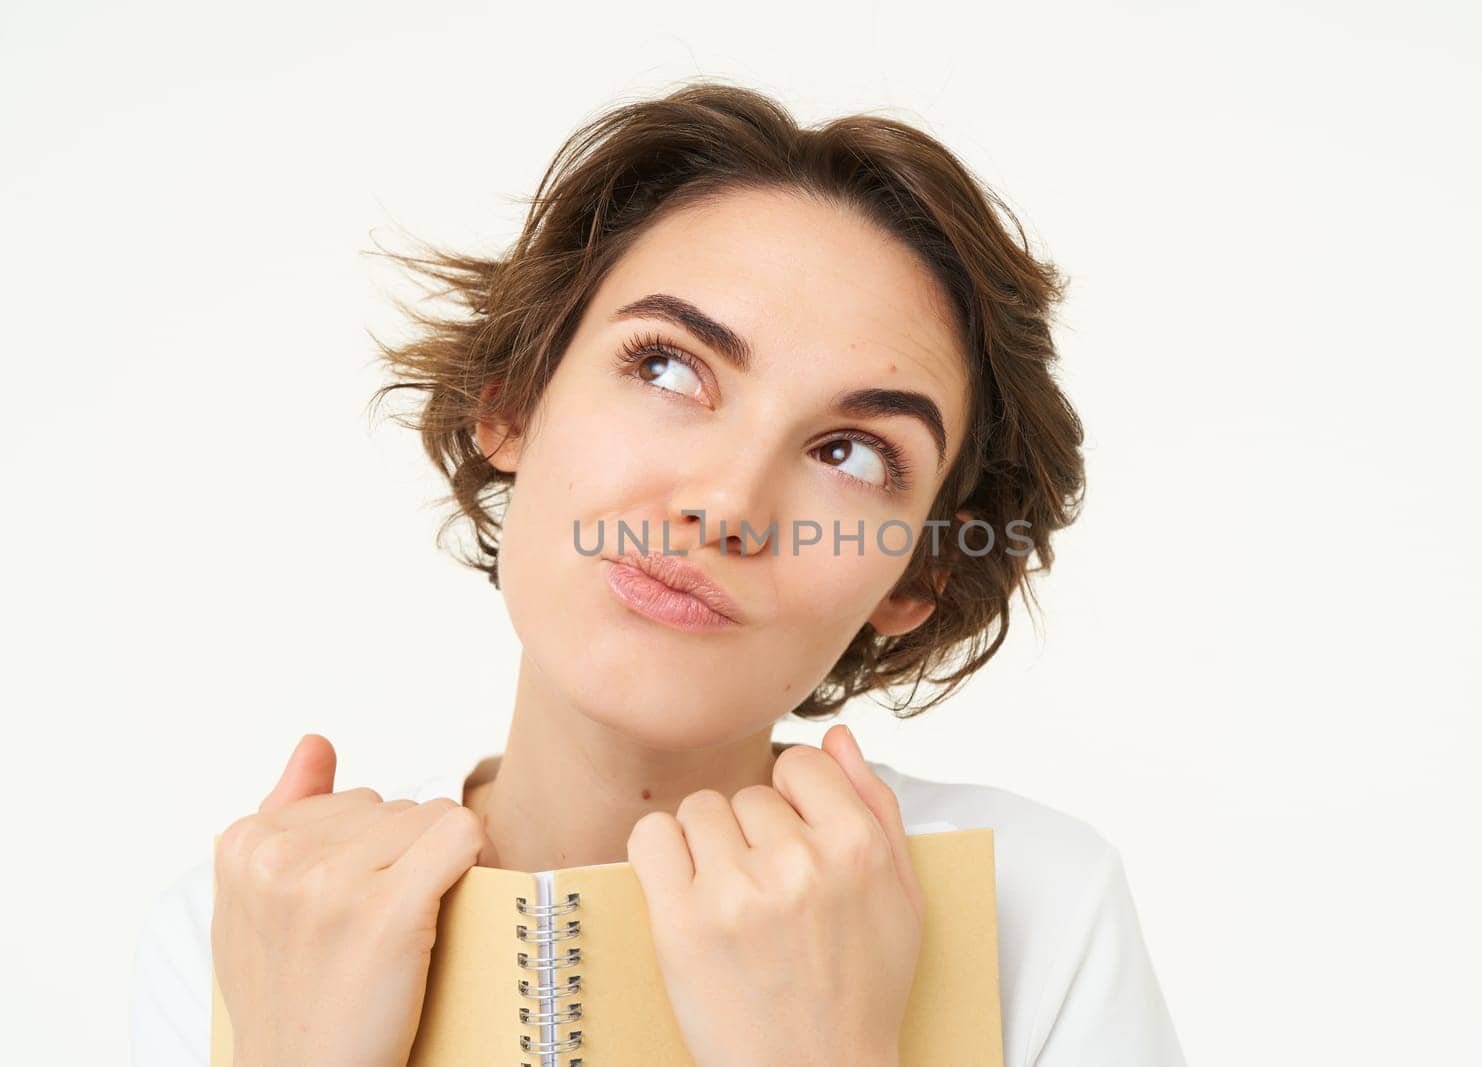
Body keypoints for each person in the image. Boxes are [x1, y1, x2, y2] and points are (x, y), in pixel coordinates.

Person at [129, 80, 1186, 1066]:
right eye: (667, 367)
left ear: (916, 578)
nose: (726, 505)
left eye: (850, 452)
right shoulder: (251, 920)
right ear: (511, 399)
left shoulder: (1037, 907)